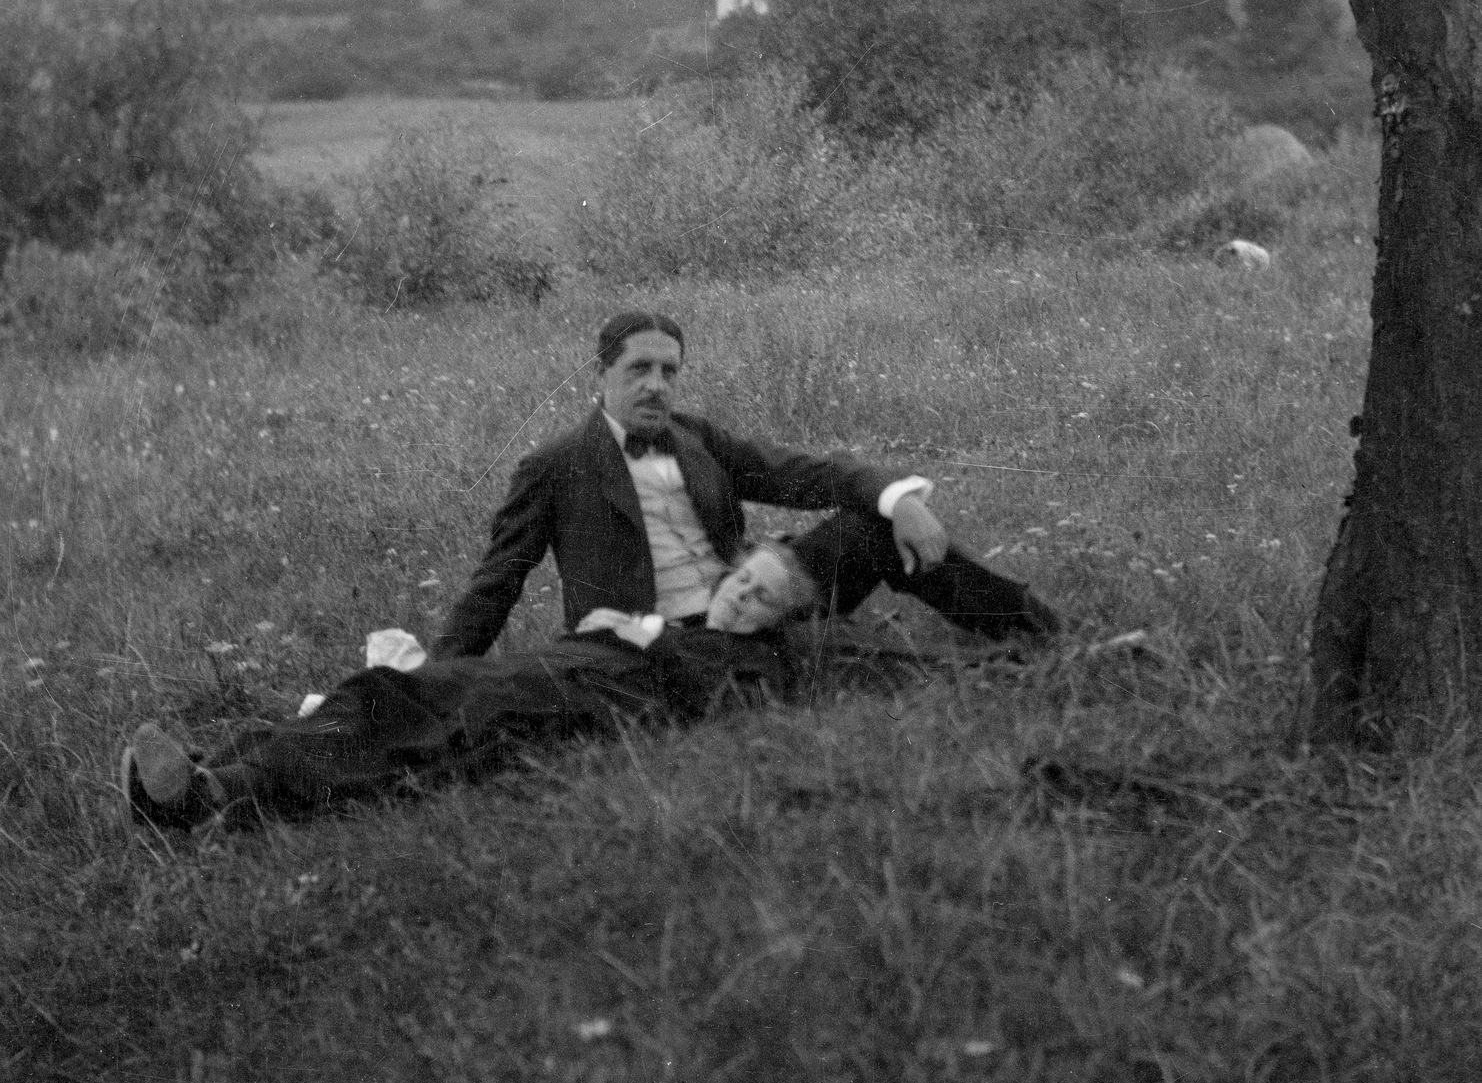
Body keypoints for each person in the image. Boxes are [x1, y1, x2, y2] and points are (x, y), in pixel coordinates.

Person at [121, 310, 1058, 829]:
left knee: (865, 524)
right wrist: (441, 661)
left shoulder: (697, 440)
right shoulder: (556, 465)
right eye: (639, 370)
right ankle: (212, 790)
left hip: (751, 616)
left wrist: (899, 497)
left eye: (670, 371)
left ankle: (1035, 637)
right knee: (453, 701)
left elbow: (807, 472)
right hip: (639, 651)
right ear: (602, 375)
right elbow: (498, 583)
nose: (657, 386)